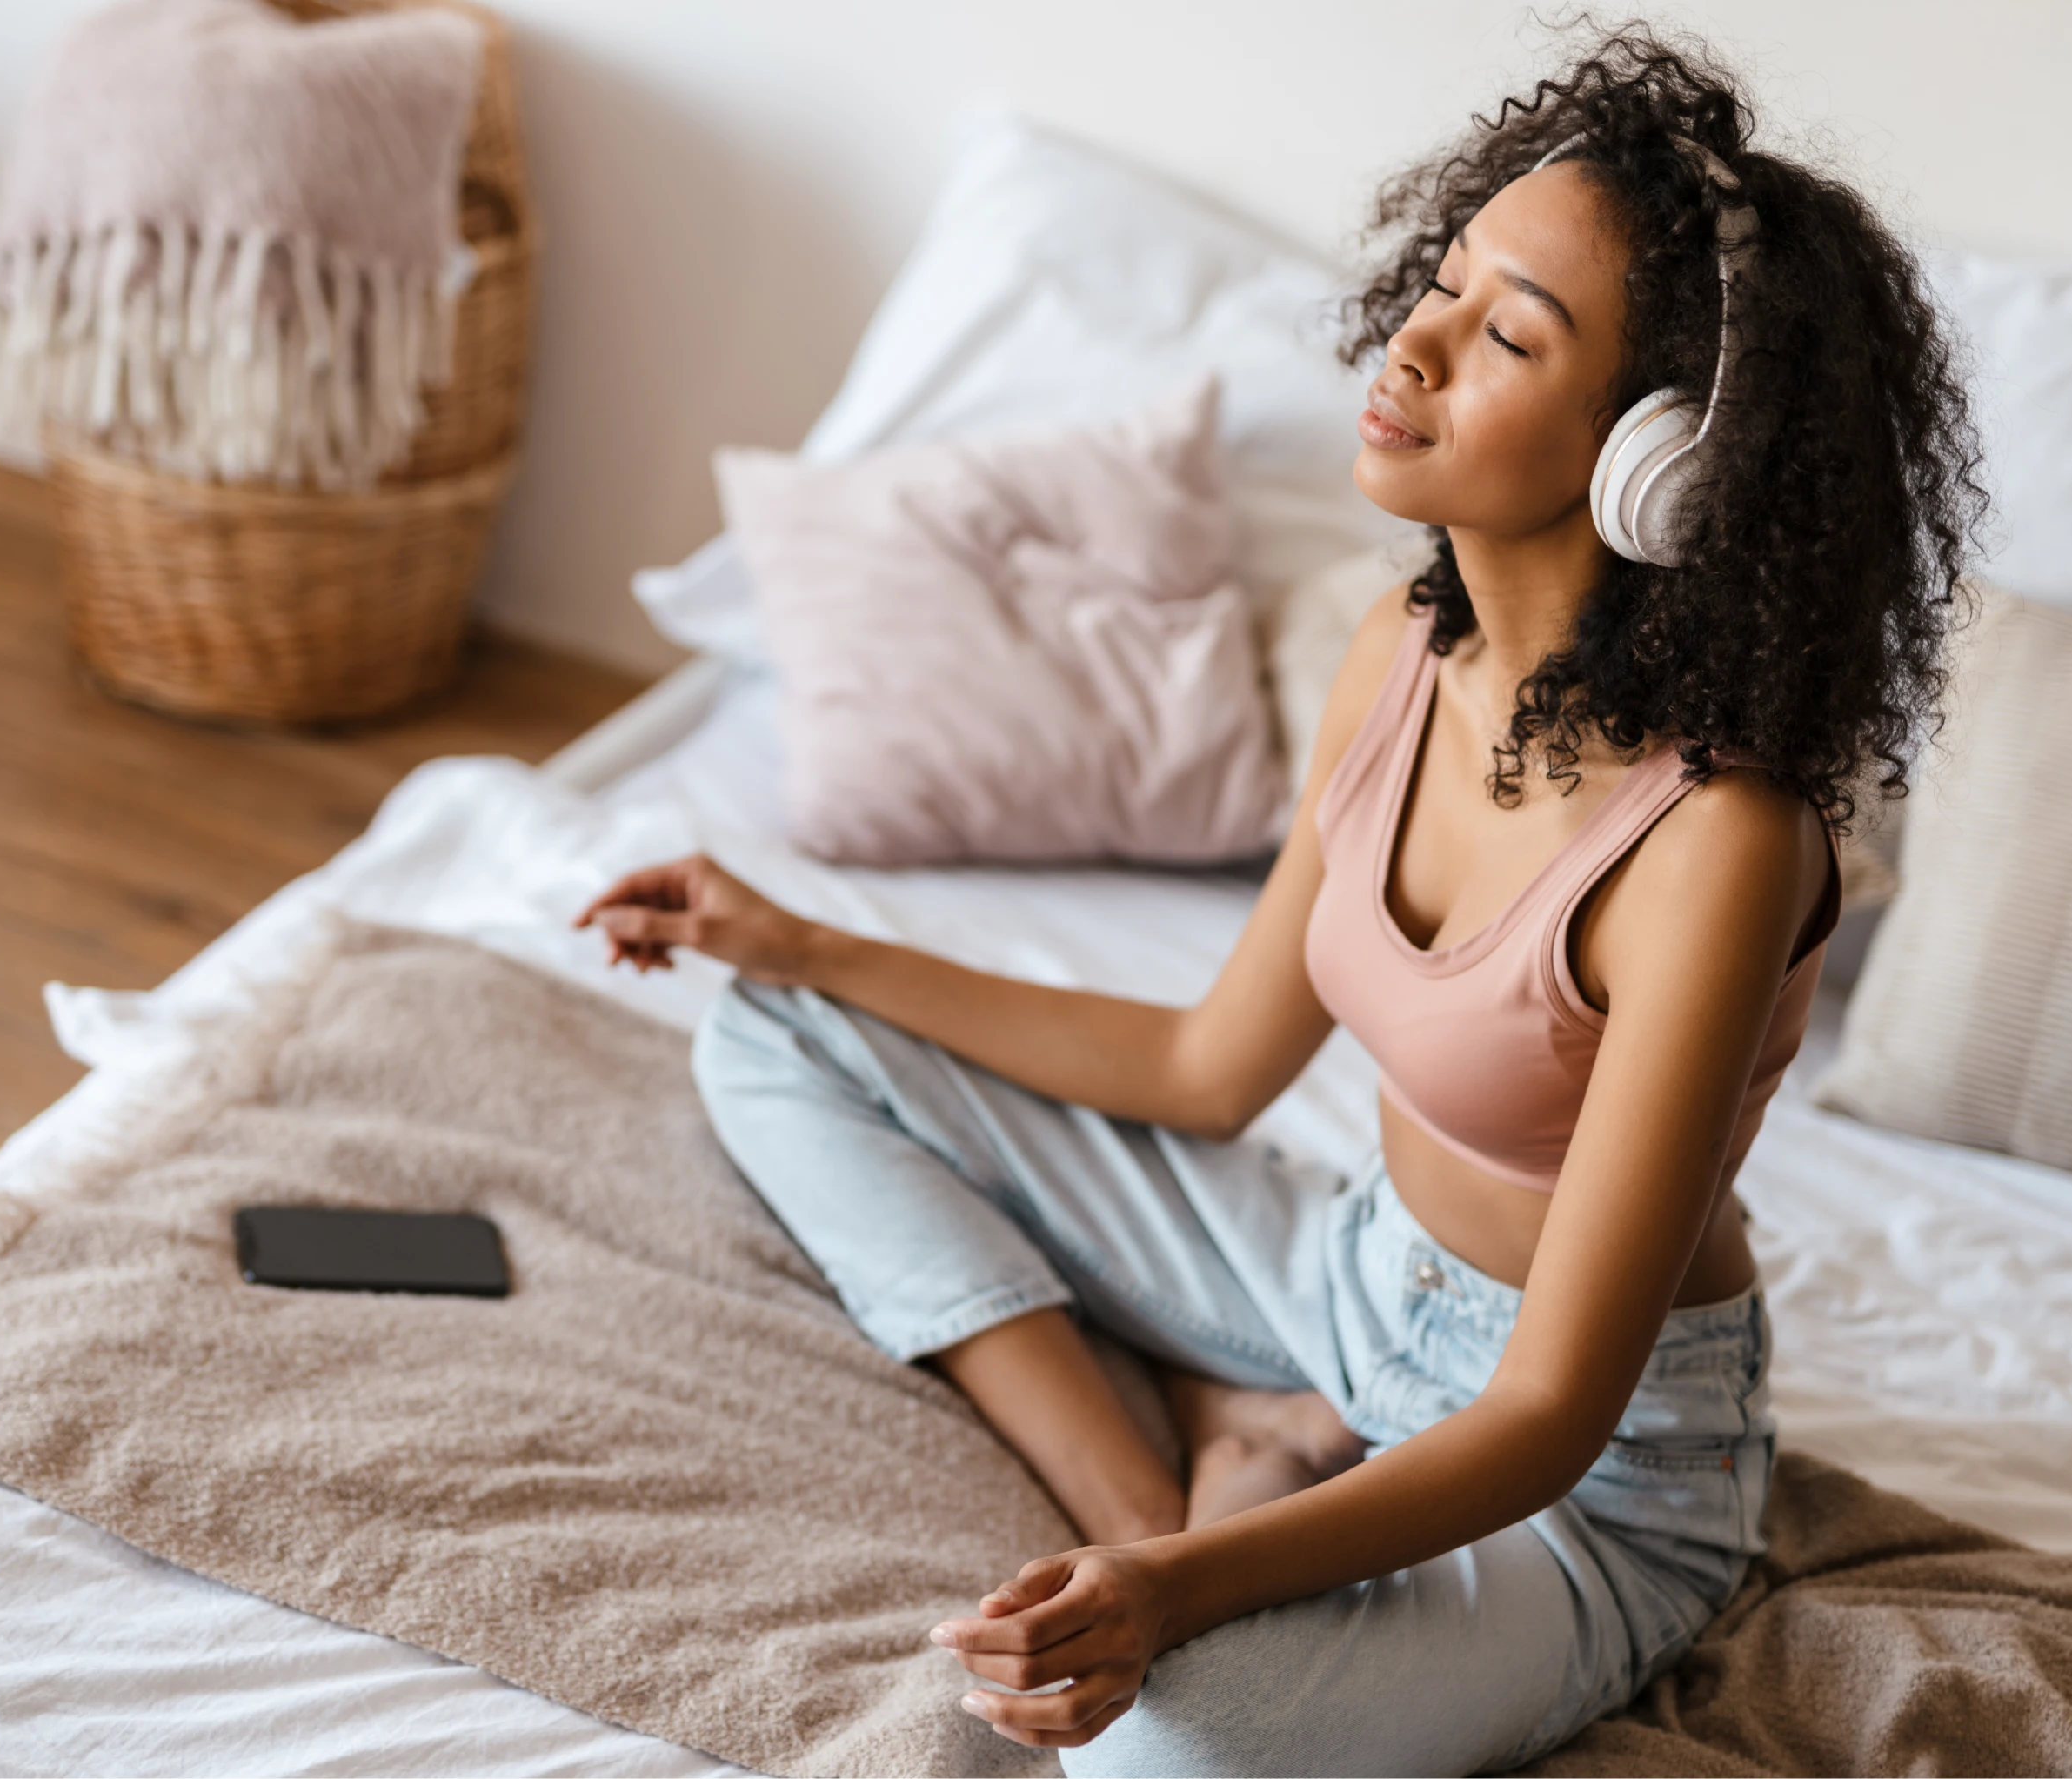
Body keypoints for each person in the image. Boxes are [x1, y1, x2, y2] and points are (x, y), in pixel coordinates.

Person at [576, 26, 1983, 1777]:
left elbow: (1549, 1412)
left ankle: (1209, 1516)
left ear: (1660, 461)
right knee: (776, 1036)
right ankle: (1164, 1477)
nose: (1414, 340)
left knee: (1168, 1748)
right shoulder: (1403, 647)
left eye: (1508, 334)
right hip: (1345, 1281)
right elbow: (1201, 1062)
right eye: (1447, 284)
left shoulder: (1720, 845)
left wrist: (1176, 1612)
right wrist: (789, 935)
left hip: (1592, 1484)